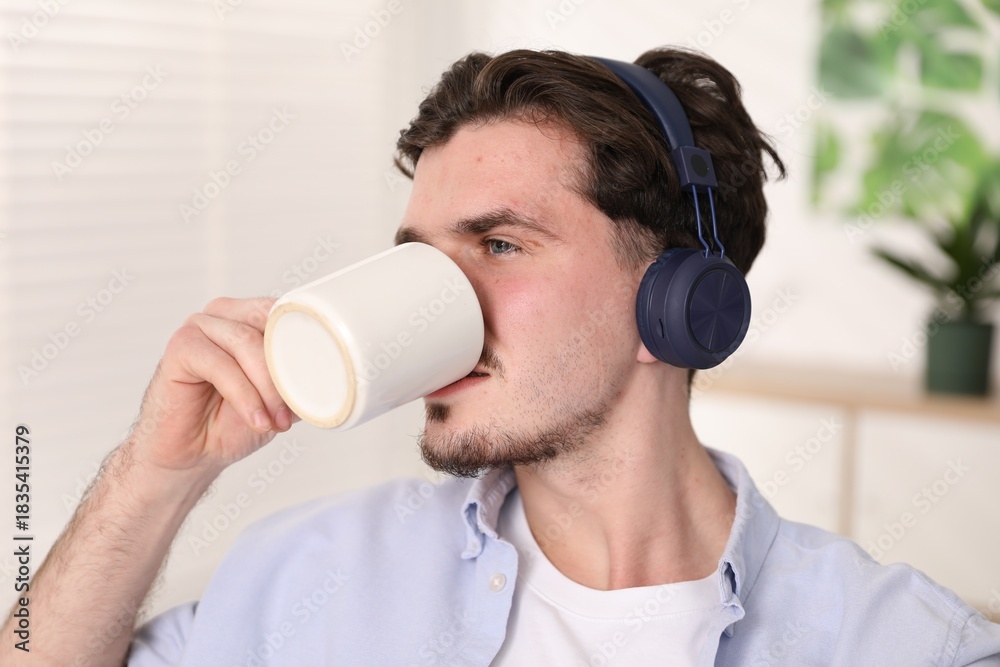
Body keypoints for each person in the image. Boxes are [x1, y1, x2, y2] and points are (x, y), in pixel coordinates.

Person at [5, 46, 999, 667]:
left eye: (499, 243)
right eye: (421, 257)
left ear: (676, 300)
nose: (441, 299)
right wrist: (154, 474)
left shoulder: (900, 642)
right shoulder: (308, 574)